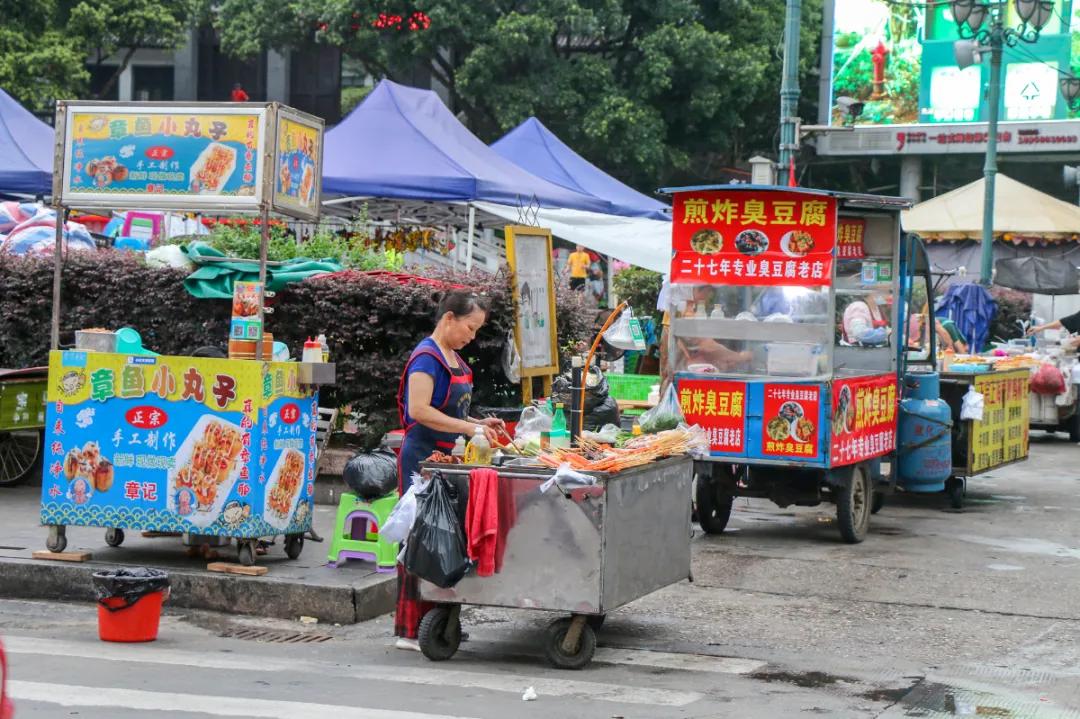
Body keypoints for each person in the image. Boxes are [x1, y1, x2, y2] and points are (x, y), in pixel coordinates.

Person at [394, 290, 504, 651]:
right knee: (420, 540)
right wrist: (467, 429)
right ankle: (410, 628)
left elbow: (453, 415)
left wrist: (477, 422)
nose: (472, 336)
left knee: (442, 540)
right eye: (470, 328)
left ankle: (434, 618)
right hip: (421, 460)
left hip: (445, 461)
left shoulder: (453, 358)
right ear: (449, 319)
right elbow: (419, 410)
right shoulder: (426, 358)